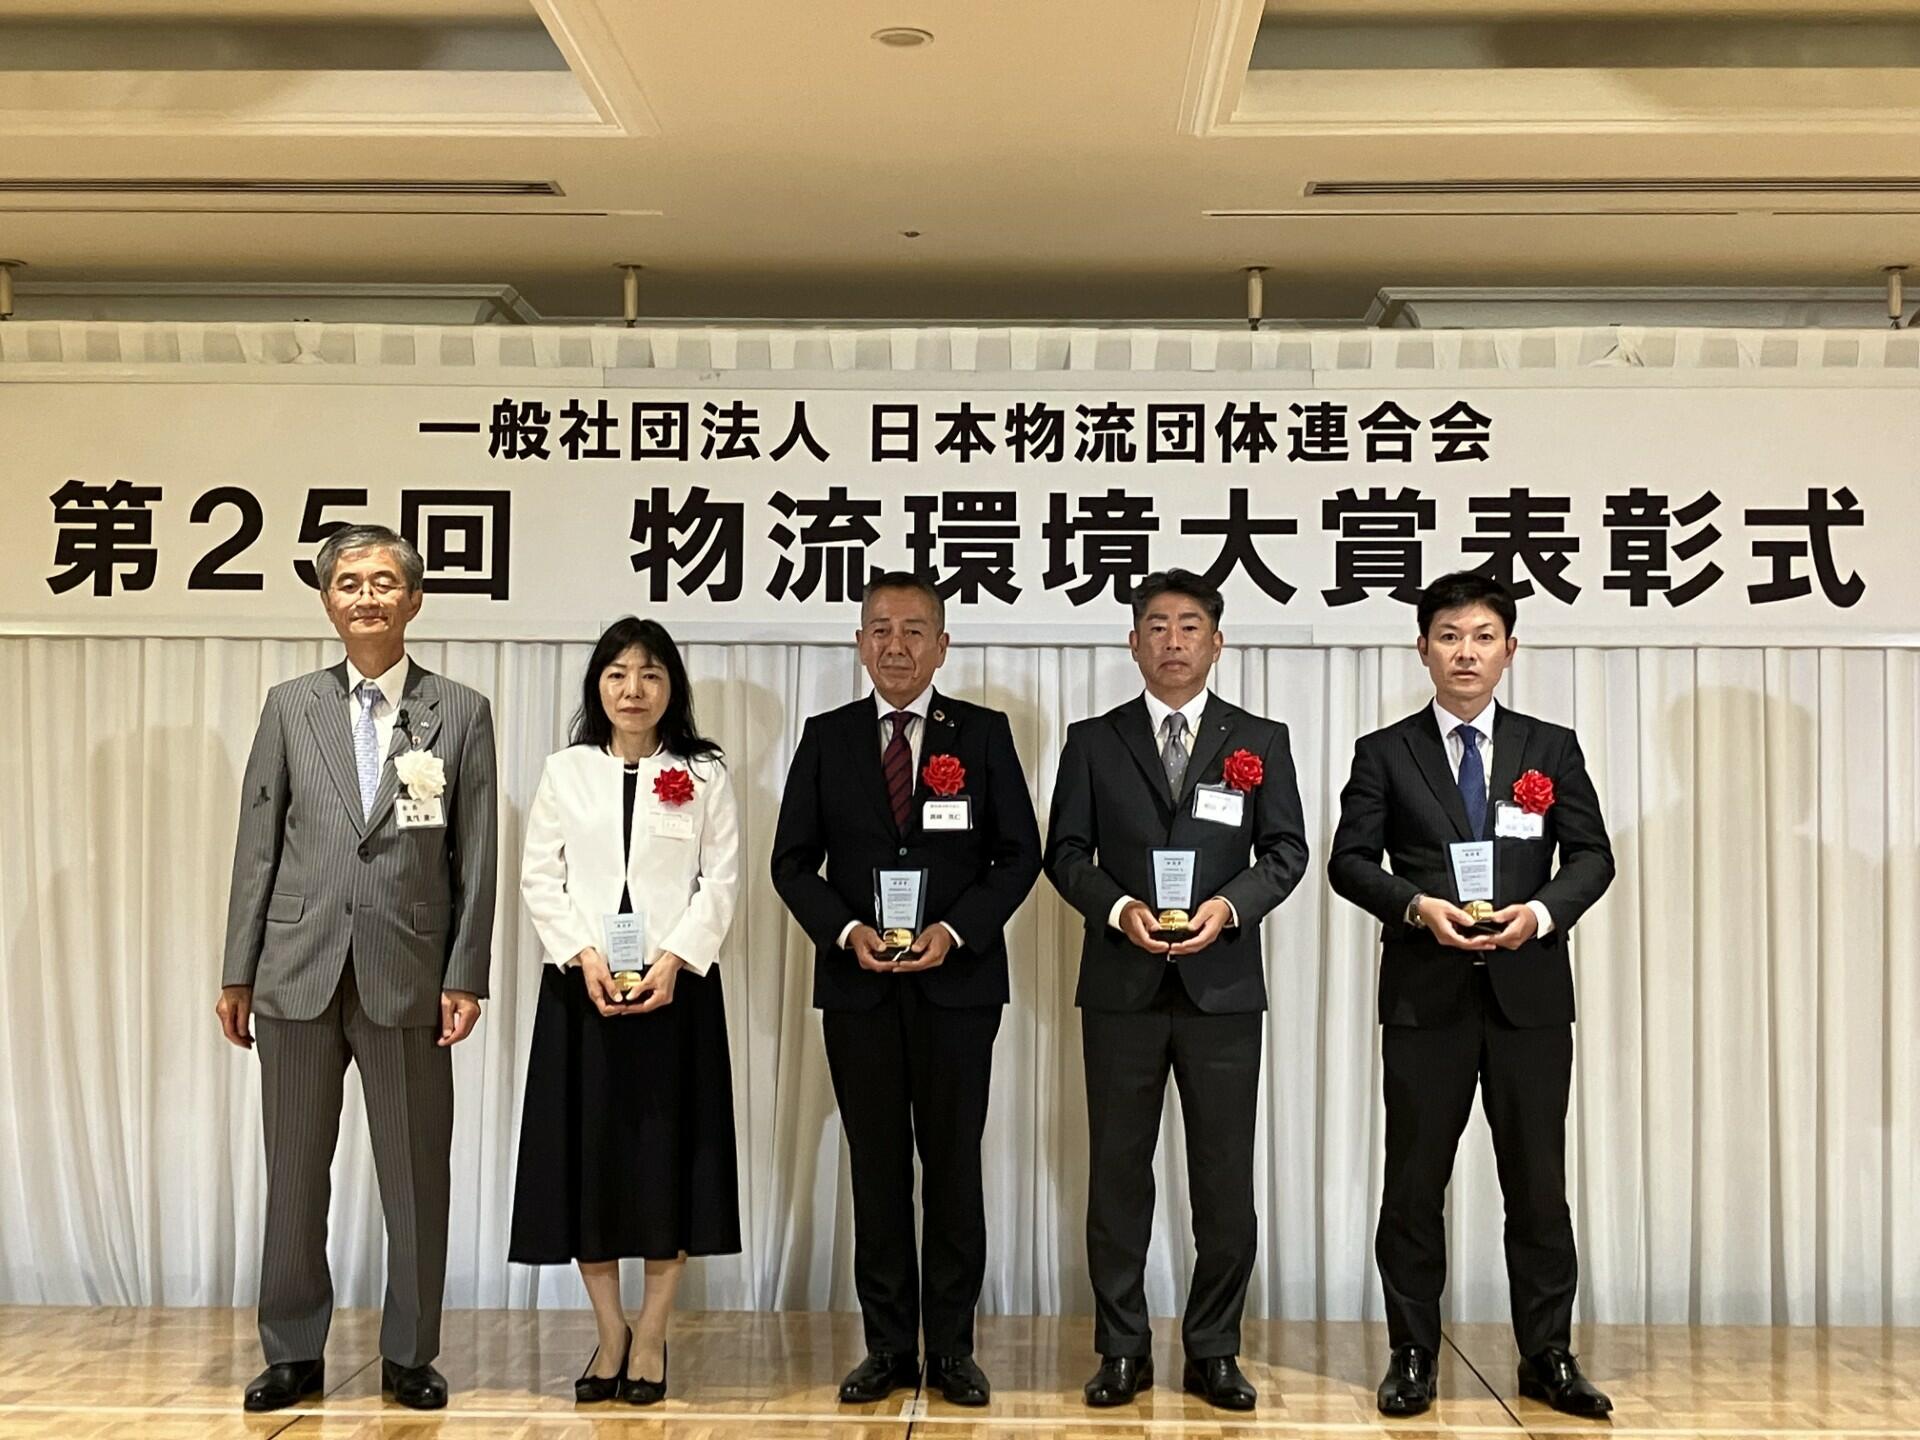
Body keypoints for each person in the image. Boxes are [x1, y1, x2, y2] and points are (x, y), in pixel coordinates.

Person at [217, 524, 497, 1413]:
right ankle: (292, 1351)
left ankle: (410, 1355)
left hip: (407, 971)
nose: (366, 596)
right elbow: (258, 847)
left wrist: (465, 974)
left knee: (415, 1176)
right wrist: (237, 969)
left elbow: (476, 855)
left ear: (414, 599)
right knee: (295, 1174)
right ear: (327, 600)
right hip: (296, 970)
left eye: (382, 581)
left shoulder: (460, 711)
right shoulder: (290, 706)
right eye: (348, 582)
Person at [1327, 571, 1615, 1420]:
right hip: (1427, 995)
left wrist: (1539, 913)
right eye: (1449, 636)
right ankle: (1413, 1352)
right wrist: (1417, 906)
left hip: (1530, 997)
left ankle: (1547, 1354)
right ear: (1423, 649)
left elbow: (1591, 857)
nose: (1466, 652)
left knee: (1538, 1183)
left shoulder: (1549, 747)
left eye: (1483, 637)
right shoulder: (1385, 752)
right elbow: (1350, 861)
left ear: (1510, 650)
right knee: (1415, 1182)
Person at [770, 571, 1042, 1407]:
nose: (897, 645)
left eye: (914, 630)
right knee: (877, 1169)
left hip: (958, 989)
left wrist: (953, 931)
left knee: (954, 1168)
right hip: (859, 990)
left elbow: (1018, 854)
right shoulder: (827, 737)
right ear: (860, 643)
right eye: (881, 629)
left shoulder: (982, 734)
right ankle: (888, 1346)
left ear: (942, 645)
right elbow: (792, 863)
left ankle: (953, 1349)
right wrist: (846, 930)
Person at [1043, 568, 1308, 1413]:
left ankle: (1214, 1349)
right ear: (1133, 642)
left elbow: (1287, 851)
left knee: (1224, 1182)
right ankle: (1121, 1348)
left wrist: (1228, 909)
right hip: (1121, 986)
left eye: (1190, 626)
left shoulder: (1259, 740)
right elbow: (1066, 852)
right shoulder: (1094, 740)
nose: (1173, 641)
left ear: (1217, 642)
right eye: (1156, 625)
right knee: (1118, 1176)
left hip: (1221, 988)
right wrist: (1119, 909)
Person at [509, 616, 741, 1407]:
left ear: (672, 686)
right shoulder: (565, 771)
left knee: (668, 1167)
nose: (633, 689)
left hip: (678, 994)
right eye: (617, 674)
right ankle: (610, 1331)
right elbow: (541, 878)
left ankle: (651, 1334)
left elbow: (722, 881)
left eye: (649, 673)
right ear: (597, 686)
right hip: (584, 993)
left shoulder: (702, 773)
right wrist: (583, 956)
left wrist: (675, 958)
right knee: (591, 1166)